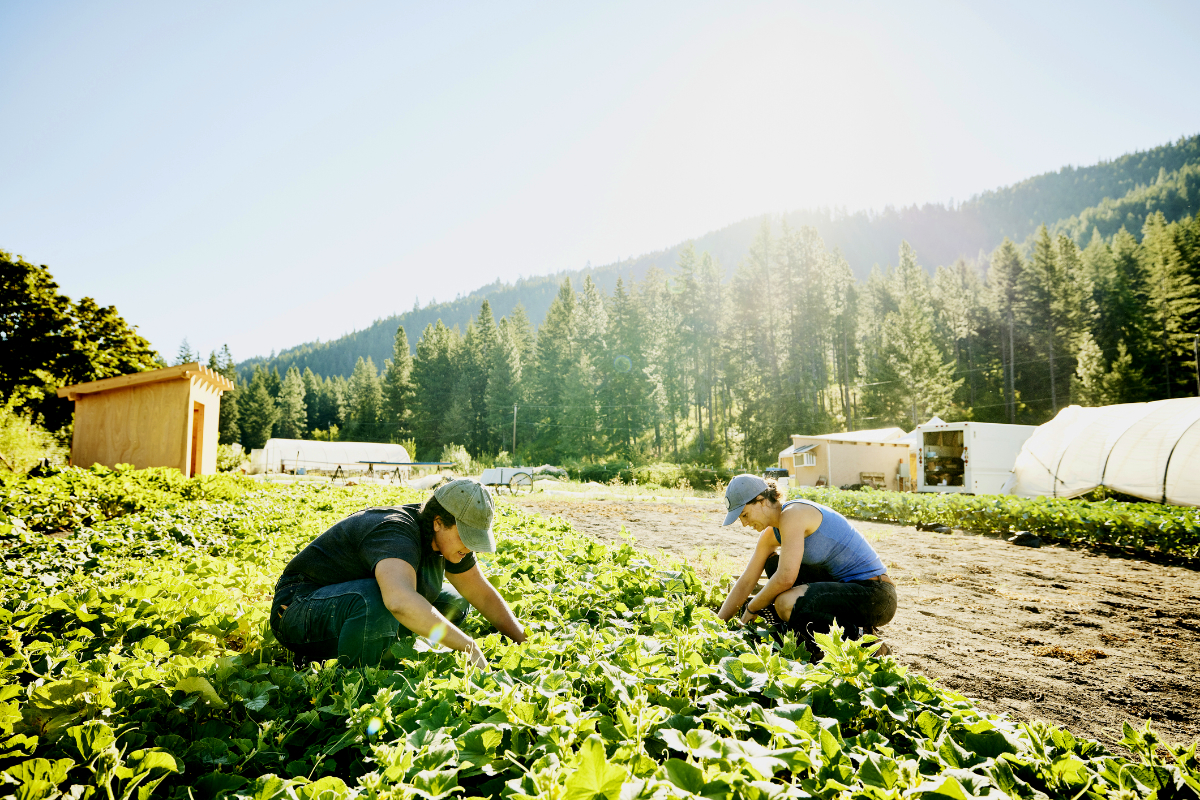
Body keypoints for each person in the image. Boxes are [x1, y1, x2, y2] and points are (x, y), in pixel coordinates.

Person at [271, 478, 526, 668]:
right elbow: (398, 601)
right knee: (378, 599)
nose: (470, 547)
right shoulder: (395, 531)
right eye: (466, 537)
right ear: (438, 522)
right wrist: (468, 647)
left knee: (454, 600)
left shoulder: (448, 543)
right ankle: (358, 674)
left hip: (343, 603)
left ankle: (385, 641)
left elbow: (480, 594)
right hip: (299, 607)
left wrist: (523, 640)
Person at [716, 474, 896, 657]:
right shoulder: (772, 534)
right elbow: (746, 581)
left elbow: (786, 578)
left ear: (761, 501)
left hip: (876, 595)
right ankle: (819, 638)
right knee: (772, 564)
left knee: (786, 604)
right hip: (844, 592)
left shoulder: (793, 514)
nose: (744, 524)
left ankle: (867, 644)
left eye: (744, 515)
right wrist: (716, 626)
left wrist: (752, 608)